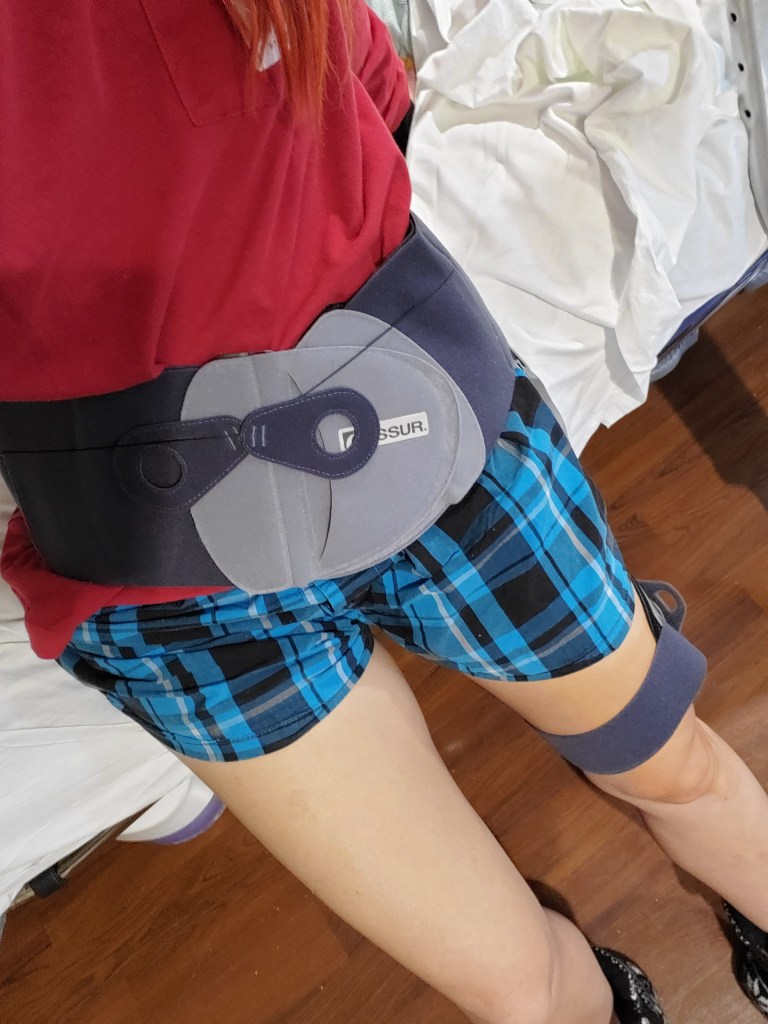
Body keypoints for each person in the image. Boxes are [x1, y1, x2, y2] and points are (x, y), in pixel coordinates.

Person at [2, 3, 768, 1022]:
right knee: (525, 992)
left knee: (679, 770)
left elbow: (368, 81)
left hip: (423, 430)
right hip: (163, 574)